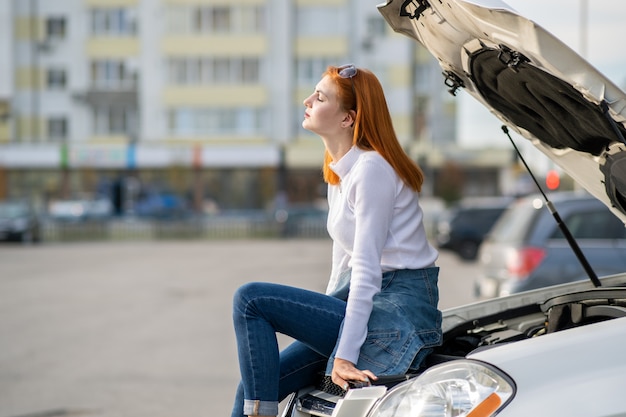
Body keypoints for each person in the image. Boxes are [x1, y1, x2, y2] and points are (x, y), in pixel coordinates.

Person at [230, 64, 442, 417]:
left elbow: (367, 271)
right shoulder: (339, 170)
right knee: (253, 383)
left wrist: (343, 354)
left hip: (397, 305)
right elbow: (342, 263)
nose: (307, 100)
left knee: (251, 300)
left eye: (320, 96)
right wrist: (324, 322)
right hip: (359, 300)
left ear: (348, 118)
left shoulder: (372, 169)